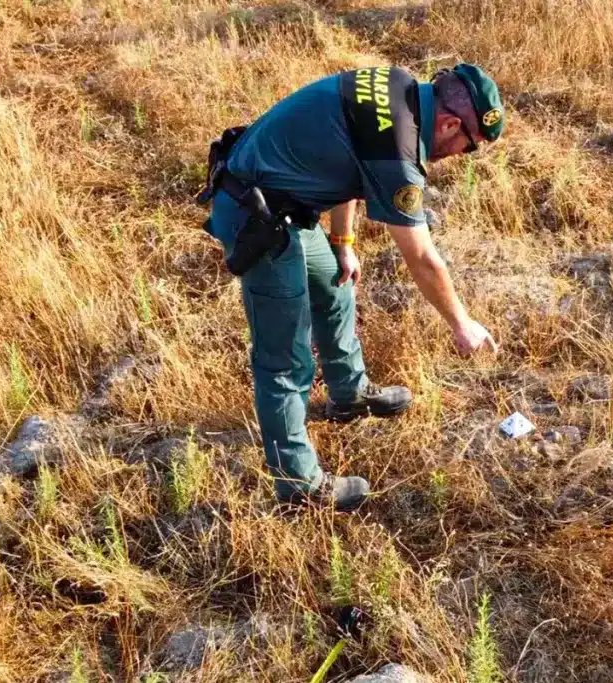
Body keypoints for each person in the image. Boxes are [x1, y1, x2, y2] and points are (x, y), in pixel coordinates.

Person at [202, 63, 505, 511]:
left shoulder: (398, 86)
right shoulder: (400, 151)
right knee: (285, 360)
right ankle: (299, 487)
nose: (462, 155)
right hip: (256, 215)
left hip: (286, 202)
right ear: (450, 124)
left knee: (335, 283)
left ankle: (349, 395)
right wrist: (462, 324)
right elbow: (421, 257)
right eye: (468, 147)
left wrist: (344, 243)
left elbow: (347, 157)